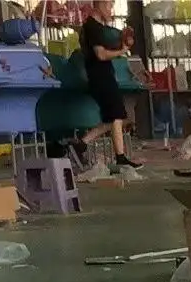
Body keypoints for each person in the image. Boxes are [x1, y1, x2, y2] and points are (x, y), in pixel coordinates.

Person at [74, 1, 142, 171]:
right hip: (100, 77)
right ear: (101, 4)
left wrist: (122, 41)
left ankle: (80, 144)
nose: (111, 9)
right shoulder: (92, 27)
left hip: (104, 76)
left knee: (112, 118)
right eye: (110, 5)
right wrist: (122, 51)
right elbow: (101, 54)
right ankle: (120, 157)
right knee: (116, 116)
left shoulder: (99, 28)